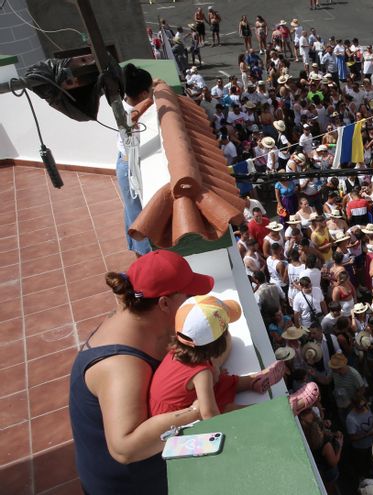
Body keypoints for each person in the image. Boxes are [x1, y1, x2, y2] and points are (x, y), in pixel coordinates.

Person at [70, 251, 212, 493]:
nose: (194, 300)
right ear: (164, 304)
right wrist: (196, 411)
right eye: (188, 296)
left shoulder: (139, 319)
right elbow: (125, 448)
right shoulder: (120, 367)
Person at [148, 295, 295, 418]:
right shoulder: (202, 373)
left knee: (220, 382)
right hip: (174, 416)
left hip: (178, 401)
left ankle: (253, 381)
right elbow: (209, 415)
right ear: (219, 341)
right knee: (223, 407)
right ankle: (271, 411)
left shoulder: (180, 350)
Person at [116, 64, 154, 256]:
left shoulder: (123, 103)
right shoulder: (131, 115)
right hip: (129, 167)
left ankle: (140, 250)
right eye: (150, 91)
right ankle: (145, 254)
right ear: (141, 94)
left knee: (133, 212)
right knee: (138, 216)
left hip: (125, 162)